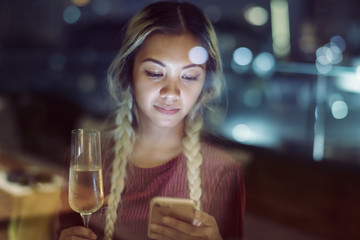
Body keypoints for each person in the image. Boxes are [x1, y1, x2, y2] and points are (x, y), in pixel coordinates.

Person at [57, 1, 245, 240]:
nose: (171, 92)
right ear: (129, 72)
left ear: (204, 83)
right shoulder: (88, 163)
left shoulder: (223, 174)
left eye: (189, 76)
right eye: (155, 73)